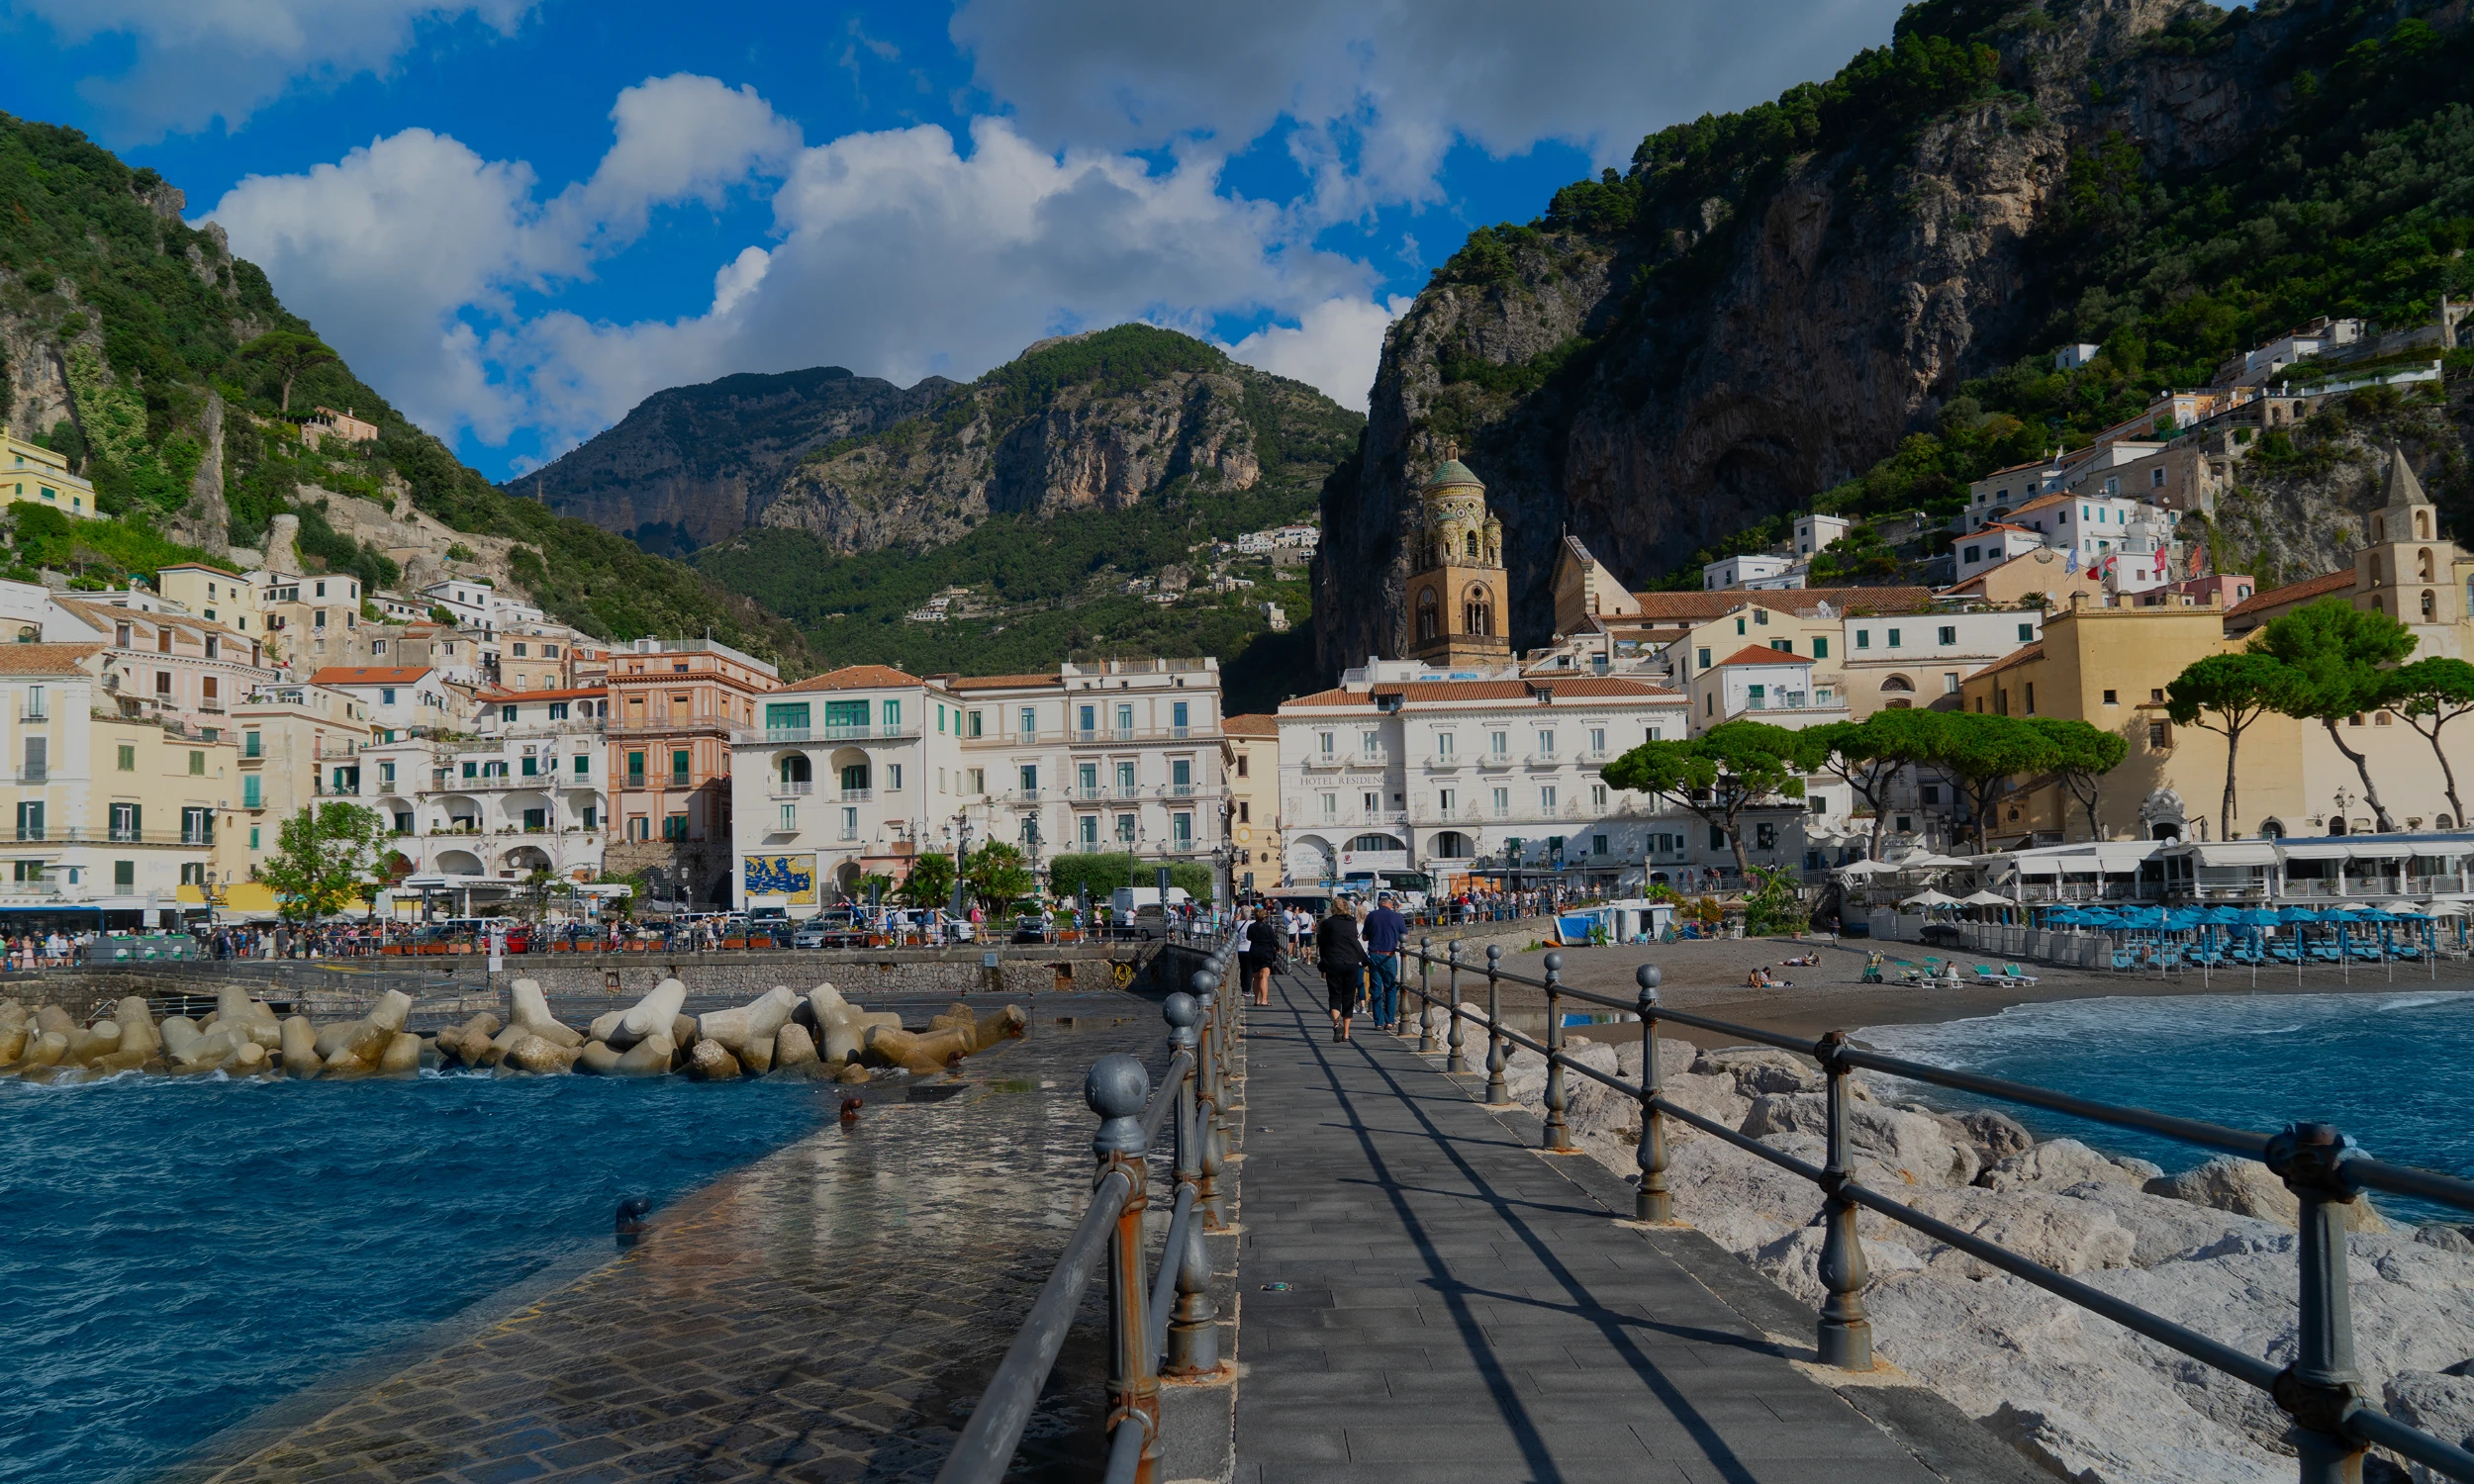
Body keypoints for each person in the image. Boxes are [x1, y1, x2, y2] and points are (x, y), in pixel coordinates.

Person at [1316, 898, 1365, 1042]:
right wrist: (1365, 959)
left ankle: (1337, 1025)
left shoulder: (1327, 924)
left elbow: (1322, 945)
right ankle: (1346, 1033)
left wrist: (1323, 964)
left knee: (1335, 996)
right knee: (1348, 997)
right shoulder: (1351, 923)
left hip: (1333, 962)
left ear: (1332, 908)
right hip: (1351, 962)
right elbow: (1354, 942)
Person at [1362, 891, 1407, 1030]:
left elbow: (1364, 937)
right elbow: (1405, 936)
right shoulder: (1397, 916)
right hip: (1389, 955)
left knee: (1376, 989)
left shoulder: (1371, 916)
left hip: (1374, 954)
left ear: (1379, 905)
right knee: (1390, 988)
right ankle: (1390, 1021)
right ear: (1390, 904)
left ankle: (1378, 1022)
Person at [1241, 905, 1281, 1006]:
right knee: (1264, 976)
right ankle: (1264, 1000)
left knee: (1256, 976)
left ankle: (1256, 1000)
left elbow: (1249, 938)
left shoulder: (1251, 927)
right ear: (1264, 917)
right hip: (1266, 952)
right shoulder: (1268, 928)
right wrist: (1277, 948)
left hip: (1254, 951)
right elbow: (1274, 941)